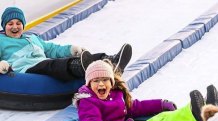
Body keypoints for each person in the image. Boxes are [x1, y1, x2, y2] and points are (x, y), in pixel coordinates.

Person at [73, 59, 218, 121]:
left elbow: (136, 107)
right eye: (95, 80)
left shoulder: (116, 94)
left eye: (105, 80)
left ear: (111, 82)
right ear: (89, 84)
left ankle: (204, 109)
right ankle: (195, 115)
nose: (100, 84)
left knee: (163, 116)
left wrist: (160, 104)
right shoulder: (88, 101)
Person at [0, 6, 132, 82]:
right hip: (26, 68)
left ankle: (110, 61)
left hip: (41, 61)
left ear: (23, 25)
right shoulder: (2, 41)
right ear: (4, 26)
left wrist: (71, 49)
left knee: (65, 60)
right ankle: (81, 67)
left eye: (18, 23)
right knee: (52, 65)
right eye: (10, 24)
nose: (14, 27)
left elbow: (52, 49)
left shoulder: (32, 38)